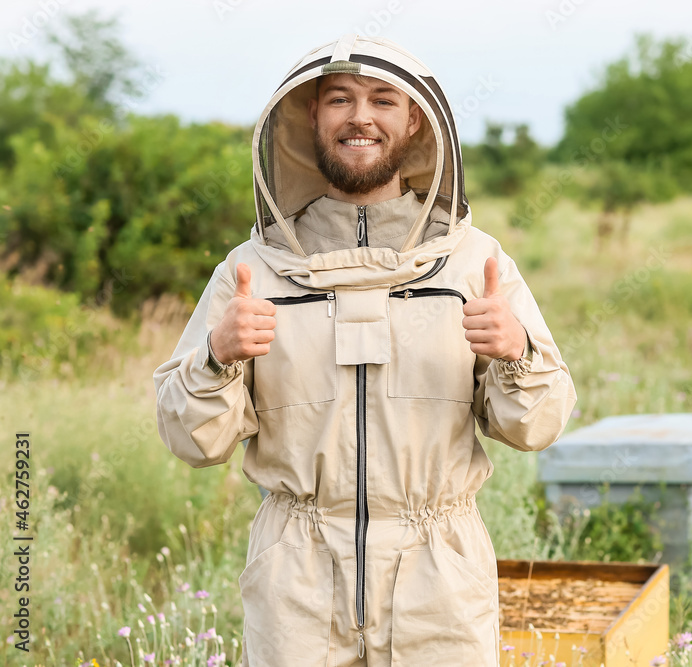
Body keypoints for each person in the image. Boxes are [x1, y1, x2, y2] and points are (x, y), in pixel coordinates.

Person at [152, 34, 577, 667]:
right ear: (310, 118)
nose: (360, 116)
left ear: (415, 122)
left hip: (439, 578)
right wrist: (217, 356)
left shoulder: (473, 263)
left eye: (383, 99)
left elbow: (535, 425)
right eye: (339, 99)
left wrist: (515, 351)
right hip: (295, 579)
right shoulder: (252, 271)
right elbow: (194, 440)